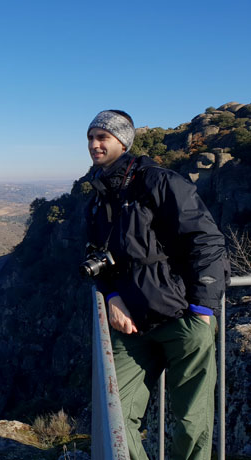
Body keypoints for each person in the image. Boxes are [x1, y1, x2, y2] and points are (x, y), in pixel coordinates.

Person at [84, 110, 229, 459]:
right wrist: (113, 295)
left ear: (123, 141)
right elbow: (94, 256)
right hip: (132, 324)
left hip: (182, 318)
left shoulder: (161, 182)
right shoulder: (98, 197)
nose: (94, 144)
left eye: (102, 137)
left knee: (191, 422)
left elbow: (207, 242)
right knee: (115, 414)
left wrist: (202, 310)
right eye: (90, 137)